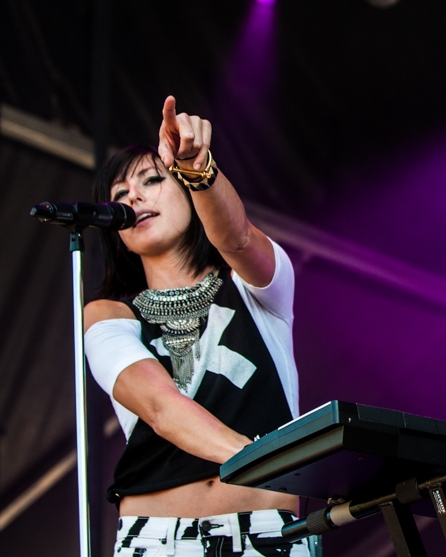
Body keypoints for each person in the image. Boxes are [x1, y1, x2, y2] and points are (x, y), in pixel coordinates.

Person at [84, 96, 308, 556]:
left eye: (151, 180)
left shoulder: (256, 288)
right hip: (154, 537)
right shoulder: (109, 314)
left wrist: (196, 167)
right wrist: (268, 459)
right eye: (120, 195)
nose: (134, 198)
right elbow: (161, 407)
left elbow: (239, 236)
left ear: (189, 193)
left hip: (263, 529)